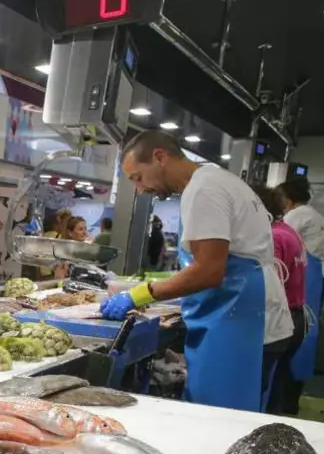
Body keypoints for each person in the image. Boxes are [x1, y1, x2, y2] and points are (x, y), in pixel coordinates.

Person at [101, 131, 293, 412]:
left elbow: (208, 272)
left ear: (159, 157)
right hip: (245, 313)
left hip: (240, 322)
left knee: (219, 420)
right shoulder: (216, 180)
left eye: (138, 178)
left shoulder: (204, 190)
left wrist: (138, 295)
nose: (140, 190)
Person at [256, 186, 308, 415]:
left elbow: (267, 286)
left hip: (277, 321)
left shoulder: (274, 237)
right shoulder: (288, 231)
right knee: (276, 386)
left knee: (262, 389)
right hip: (294, 319)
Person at [278, 177, 324, 389]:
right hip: (315, 274)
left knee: (295, 327)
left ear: (288, 199)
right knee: (308, 327)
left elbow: (281, 240)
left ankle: (288, 383)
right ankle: (295, 385)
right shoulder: (316, 216)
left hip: (302, 273)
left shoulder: (296, 215)